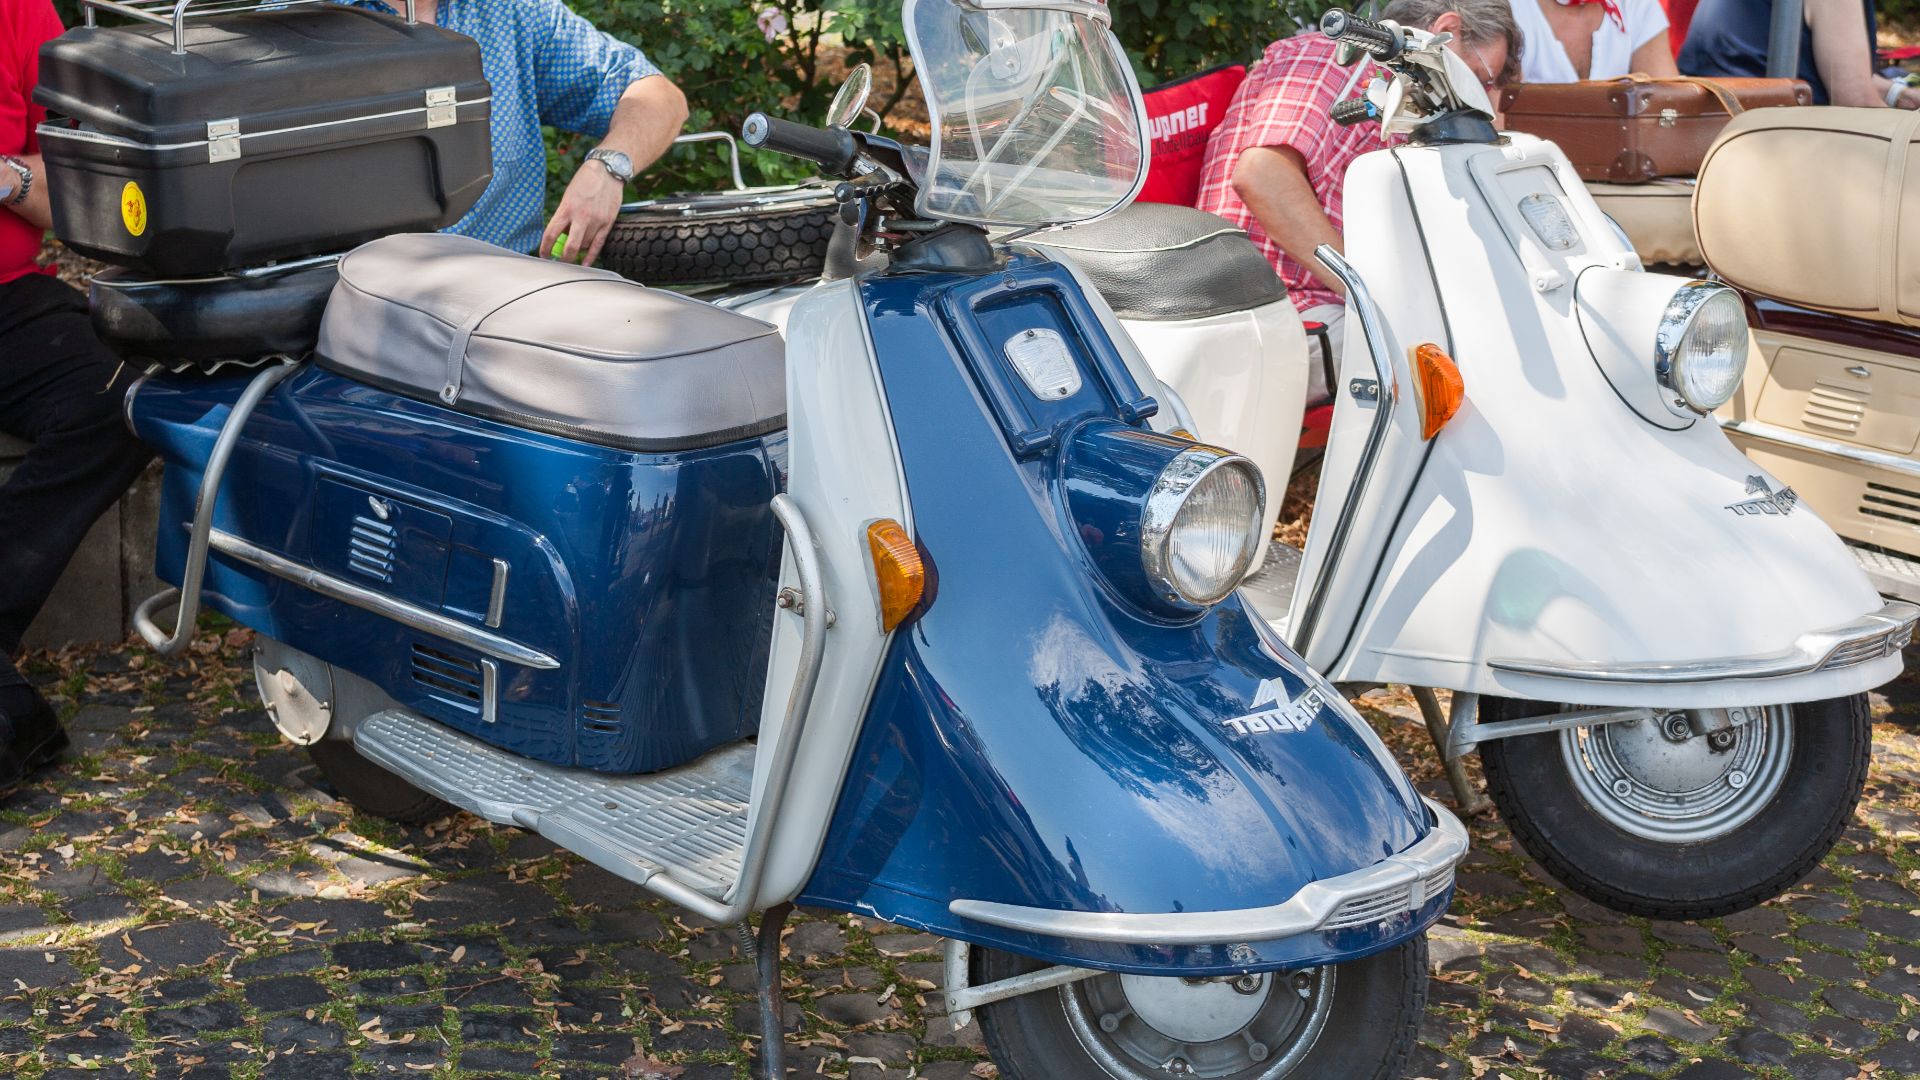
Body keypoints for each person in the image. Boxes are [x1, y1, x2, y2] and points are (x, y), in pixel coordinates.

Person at [1196, 0, 1521, 400]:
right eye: (1482, 79)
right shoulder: (1338, 61)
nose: (1487, 99)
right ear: (1447, 30)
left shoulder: (1404, 91)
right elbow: (1262, 174)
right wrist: (1373, 297)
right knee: (1462, 370)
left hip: (1314, 304)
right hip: (1266, 310)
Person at [0, 0, 155, 793]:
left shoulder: (22, 13)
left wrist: (3, 172)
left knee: (119, 398)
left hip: (10, 297)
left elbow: (80, 194)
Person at [346, 0, 691, 265]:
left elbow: (658, 97)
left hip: (504, 302)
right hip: (348, 303)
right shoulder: (300, 19)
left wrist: (607, 167)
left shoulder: (512, 10)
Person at [1679, 0, 1919, 107]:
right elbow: (1855, 100)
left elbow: (1838, 73)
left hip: (1715, 135)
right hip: (1780, 147)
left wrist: (1900, 94)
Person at [1508, 0, 1679, 82]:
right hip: (1529, 150)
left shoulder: (1636, 4)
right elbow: (1499, 120)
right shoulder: (1508, 8)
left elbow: (1667, 101)